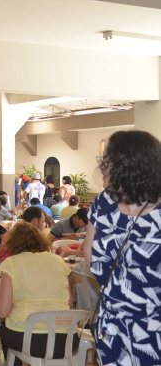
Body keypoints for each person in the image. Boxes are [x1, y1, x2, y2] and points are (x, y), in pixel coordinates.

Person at [82, 130, 161, 366]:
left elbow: (91, 254)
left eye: (106, 160)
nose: (101, 166)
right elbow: (88, 253)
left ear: (128, 164)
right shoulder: (103, 202)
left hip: (148, 325)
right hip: (115, 321)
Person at [0, 222, 73, 366]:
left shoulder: (12, 264)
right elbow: (69, 303)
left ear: (12, 244)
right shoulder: (59, 261)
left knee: (4, 330)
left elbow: (2, 311)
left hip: (30, 340)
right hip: (65, 340)